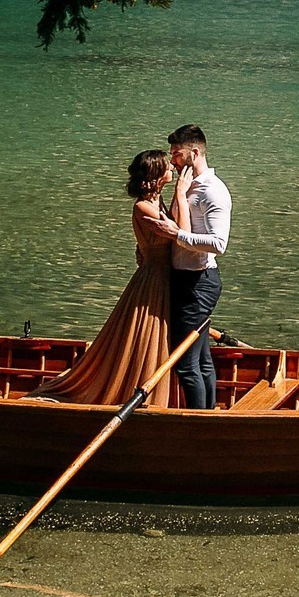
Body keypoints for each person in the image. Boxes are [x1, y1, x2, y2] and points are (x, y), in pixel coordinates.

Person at [29, 150, 181, 406]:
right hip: (155, 280)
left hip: (161, 275)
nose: (172, 168)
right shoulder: (144, 206)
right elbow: (179, 233)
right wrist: (184, 191)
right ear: (155, 175)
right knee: (150, 336)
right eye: (167, 165)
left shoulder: (158, 201)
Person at [165, 123, 231, 410]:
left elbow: (218, 244)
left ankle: (197, 423)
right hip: (186, 279)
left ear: (194, 152)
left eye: (177, 154)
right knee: (201, 360)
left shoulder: (213, 191)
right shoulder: (186, 184)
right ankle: (208, 416)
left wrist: (175, 235)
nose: (172, 160)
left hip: (199, 281)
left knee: (186, 363)